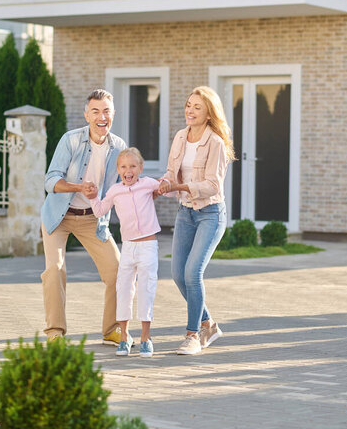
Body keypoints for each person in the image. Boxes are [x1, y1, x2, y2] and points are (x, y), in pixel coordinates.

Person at [41, 88, 126, 344]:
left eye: (106, 111)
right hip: (59, 214)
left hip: (93, 219)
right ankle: (55, 332)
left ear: (113, 114)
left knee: (118, 271)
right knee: (55, 270)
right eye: (96, 111)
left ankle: (112, 329)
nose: (102, 117)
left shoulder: (118, 146)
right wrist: (79, 187)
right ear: (86, 114)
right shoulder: (71, 140)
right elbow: (51, 180)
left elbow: (123, 184)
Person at [159, 86, 235, 355]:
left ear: (209, 113)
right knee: (178, 275)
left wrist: (179, 188)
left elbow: (213, 185)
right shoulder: (181, 136)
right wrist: (165, 182)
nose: (190, 111)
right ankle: (209, 324)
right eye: (188, 105)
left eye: (197, 107)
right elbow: (171, 171)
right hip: (186, 213)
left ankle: (193, 335)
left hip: (210, 214)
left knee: (193, 273)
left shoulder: (215, 142)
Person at [90, 147, 161, 357]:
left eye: (132, 166)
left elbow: (169, 190)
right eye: (123, 166)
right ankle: (124, 337)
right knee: (124, 289)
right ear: (118, 170)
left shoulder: (148, 184)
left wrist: (170, 184)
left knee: (146, 289)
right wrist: (94, 196)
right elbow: (99, 211)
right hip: (128, 247)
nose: (128, 170)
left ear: (140, 167)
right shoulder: (114, 191)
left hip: (148, 245)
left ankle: (146, 338)